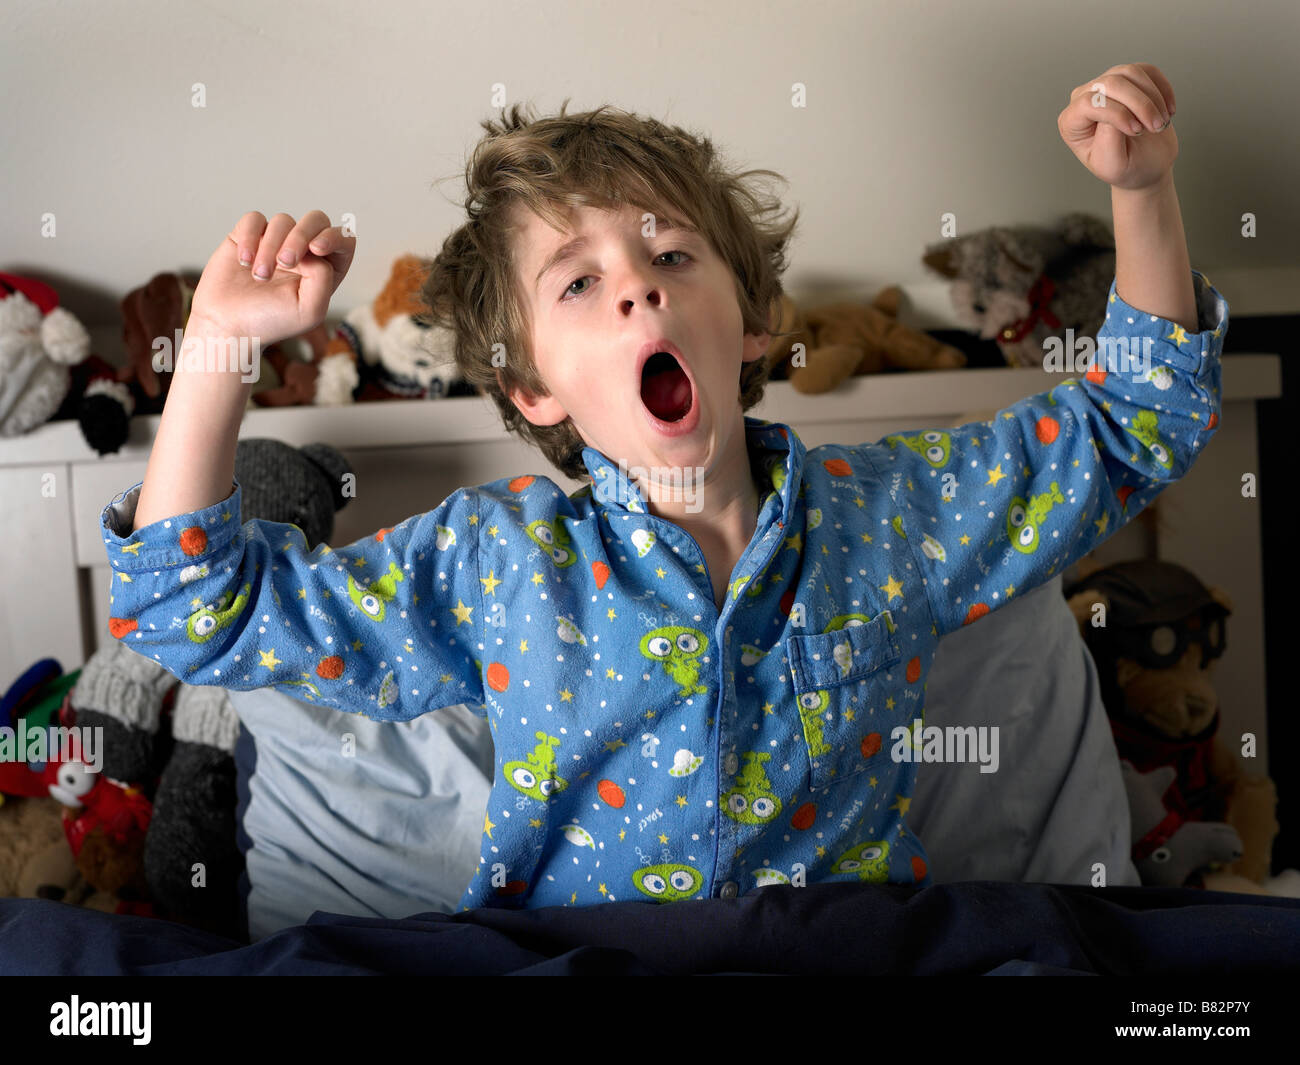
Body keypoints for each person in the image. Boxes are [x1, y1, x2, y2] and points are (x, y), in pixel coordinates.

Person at [101, 63, 1227, 910]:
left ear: (751, 326)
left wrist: (1143, 192)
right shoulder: (496, 564)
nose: (638, 288)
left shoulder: (896, 516)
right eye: (581, 281)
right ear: (533, 388)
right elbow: (188, 607)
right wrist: (214, 341)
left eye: (672, 255)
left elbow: (1138, 418)